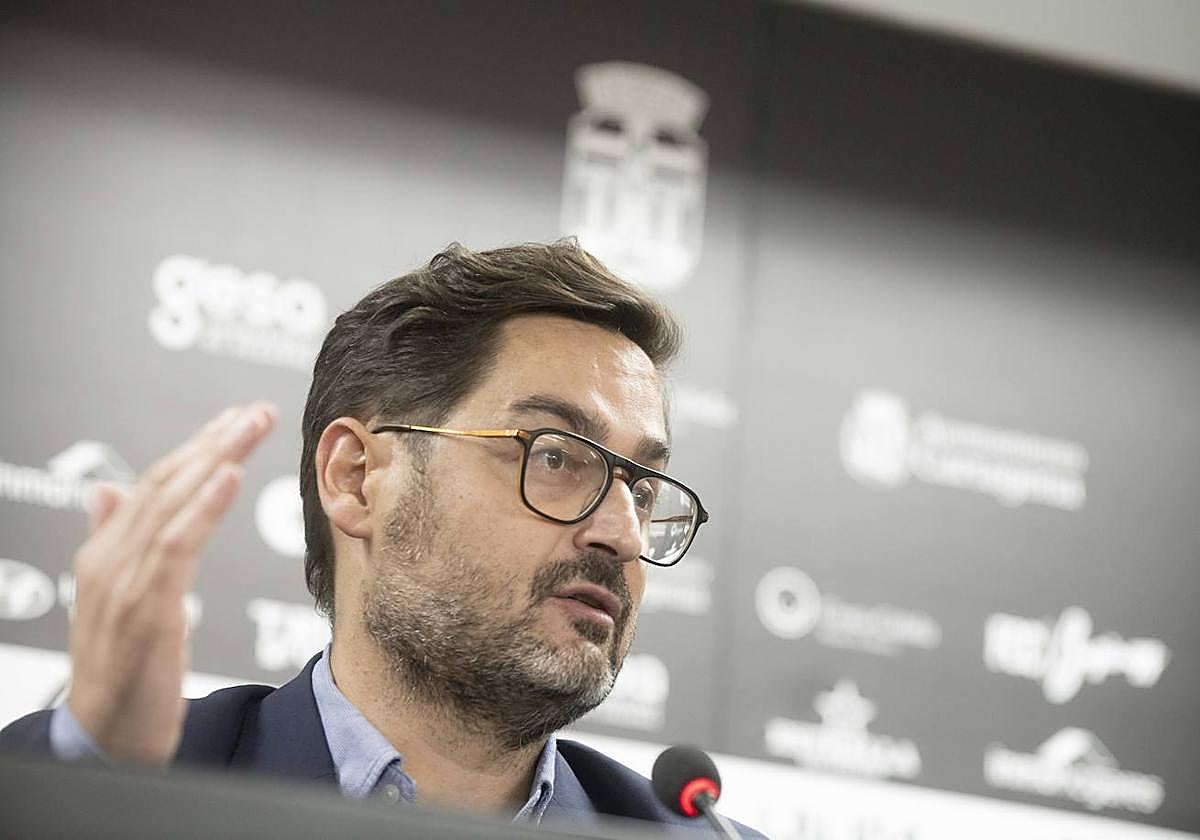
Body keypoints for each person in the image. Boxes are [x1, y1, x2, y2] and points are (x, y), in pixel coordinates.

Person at [1, 241, 761, 836]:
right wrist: (100, 799)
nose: (622, 533)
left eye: (643, 490)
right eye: (556, 457)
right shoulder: (118, 780)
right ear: (358, 477)